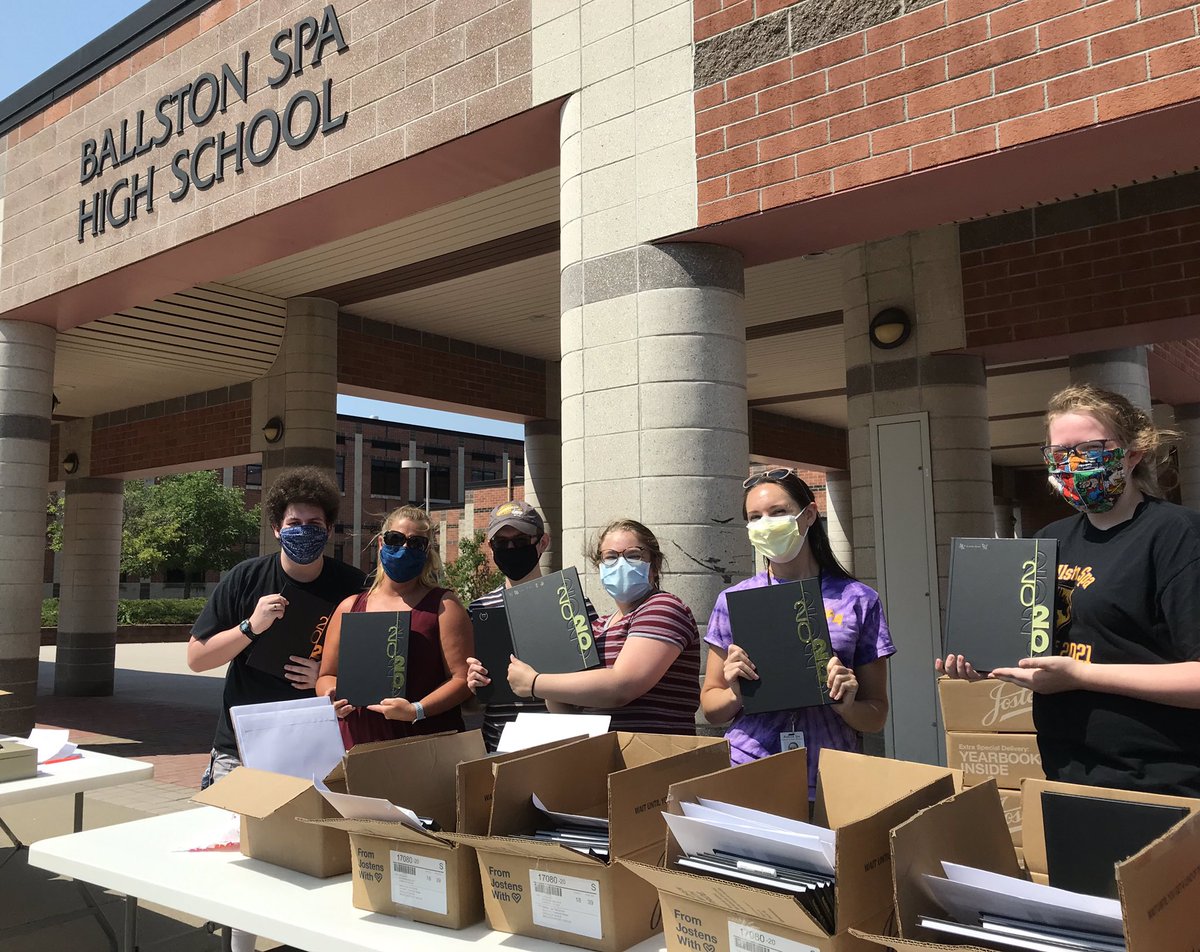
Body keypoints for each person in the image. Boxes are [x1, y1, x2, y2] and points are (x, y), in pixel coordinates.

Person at [939, 384, 1200, 797]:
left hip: (1160, 780)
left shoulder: (1177, 535)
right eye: (1059, 453)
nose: (1073, 464)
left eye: (1090, 449)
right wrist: (989, 662)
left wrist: (1081, 676)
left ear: (1133, 453)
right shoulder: (1049, 540)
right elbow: (1033, 645)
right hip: (1065, 771)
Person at [701, 469, 894, 800]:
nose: (766, 524)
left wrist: (846, 705)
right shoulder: (734, 601)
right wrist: (736, 693)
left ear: (809, 515)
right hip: (748, 769)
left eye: (778, 512)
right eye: (755, 517)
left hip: (829, 777)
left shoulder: (858, 600)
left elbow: (876, 715)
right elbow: (711, 707)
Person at [189, 466, 366, 788]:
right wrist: (250, 627)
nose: (304, 531)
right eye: (294, 524)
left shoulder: (355, 587)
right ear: (276, 529)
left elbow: (374, 669)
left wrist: (327, 678)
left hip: (318, 745)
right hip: (242, 747)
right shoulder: (245, 578)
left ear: (328, 530)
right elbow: (197, 659)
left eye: (314, 524)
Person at [467, 519, 701, 734]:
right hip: (603, 753)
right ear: (600, 565)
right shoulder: (598, 627)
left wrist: (536, 682)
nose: (620, 564)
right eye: (610, 557)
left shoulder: (663, 607)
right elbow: (567, 710)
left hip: (653, 753)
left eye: (633, 555)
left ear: (654, 564)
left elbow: (622, 687)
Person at [317, 504, 473, 746]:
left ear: (427, 551)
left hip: (425, 745)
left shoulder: (444, 605)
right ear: (381, 543)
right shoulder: (350, 606)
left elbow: (462, 679)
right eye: (395, 539)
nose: (404, 548)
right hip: (358, 743)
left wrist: (417, 709)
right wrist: (331, 695)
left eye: (416, 543)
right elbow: (326, 675)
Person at [461, 500, 597, 750]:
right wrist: (473, 685)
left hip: (560, 742)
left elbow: (594, 681)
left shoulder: (571, 602)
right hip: (498, 744)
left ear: (542, 543)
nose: (511, 548)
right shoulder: (479, 610)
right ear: (491, 547)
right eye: (501, 543)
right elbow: (471, 707)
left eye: (521, 541)